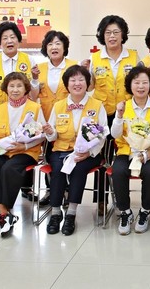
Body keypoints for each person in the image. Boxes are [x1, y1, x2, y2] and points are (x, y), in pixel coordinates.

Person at [0, 72, 51, 238]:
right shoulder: (0, 108)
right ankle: (5, 214)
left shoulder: (35, 108)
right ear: (6, 88)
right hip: (4, 151)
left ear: (26, 89)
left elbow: (43, 135)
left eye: (19, 86)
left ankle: (4, 216)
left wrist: (24, 145)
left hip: (26, 151)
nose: (15, 89)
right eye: (11, 86)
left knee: (9, 169)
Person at [45, 65, 108, 235]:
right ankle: (56, 213)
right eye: (73, 80)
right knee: (58, 169)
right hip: (61, 150)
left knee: (79, 169)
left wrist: (89, 153)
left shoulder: (97, 105)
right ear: (67, 84)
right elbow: (52, 136)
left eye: (81, 79)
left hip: (89, 153)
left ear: (88, 84)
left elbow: (103, 134)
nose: (77, 83)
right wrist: (50, 132)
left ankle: (71, 213)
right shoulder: (58, 106)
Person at [85, 15, 139, 213]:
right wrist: (85, 72)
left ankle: (121, 198)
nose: (112, 36)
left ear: (123, 35)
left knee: (122, 157)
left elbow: (139, 84)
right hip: (102, 114)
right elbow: (90, 87)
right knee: (101, 156)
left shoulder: (133, 57)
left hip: (126, 113)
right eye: (108, 32)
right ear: (102, 35)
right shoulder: (95, 58)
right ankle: (101, 199)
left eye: (116, 32)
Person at [110, 66, 150, 235]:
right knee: (118, 171)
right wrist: (119, 115)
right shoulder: (124, 106)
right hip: (126, 151)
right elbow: (115, 134)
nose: (141, 86)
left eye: (145, 82)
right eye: (137, 82)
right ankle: (125, 212)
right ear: (130, 85)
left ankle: (145, 211)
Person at [0, 22, 33, 122]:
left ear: (18, 40)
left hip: (23, 119)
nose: (9, 41)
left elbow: (34, 89)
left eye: (12, 37)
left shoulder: (29, 60)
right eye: (5, 38)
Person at [32, 30, 76, 121]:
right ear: (46, 48)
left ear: (64, 47)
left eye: (58, 43)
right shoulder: (38, 68)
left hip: (69, 116)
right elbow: (33, 97)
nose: (54, 47)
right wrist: (35, 79)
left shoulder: (75, 66)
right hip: (45, 117)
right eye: (50, 44)